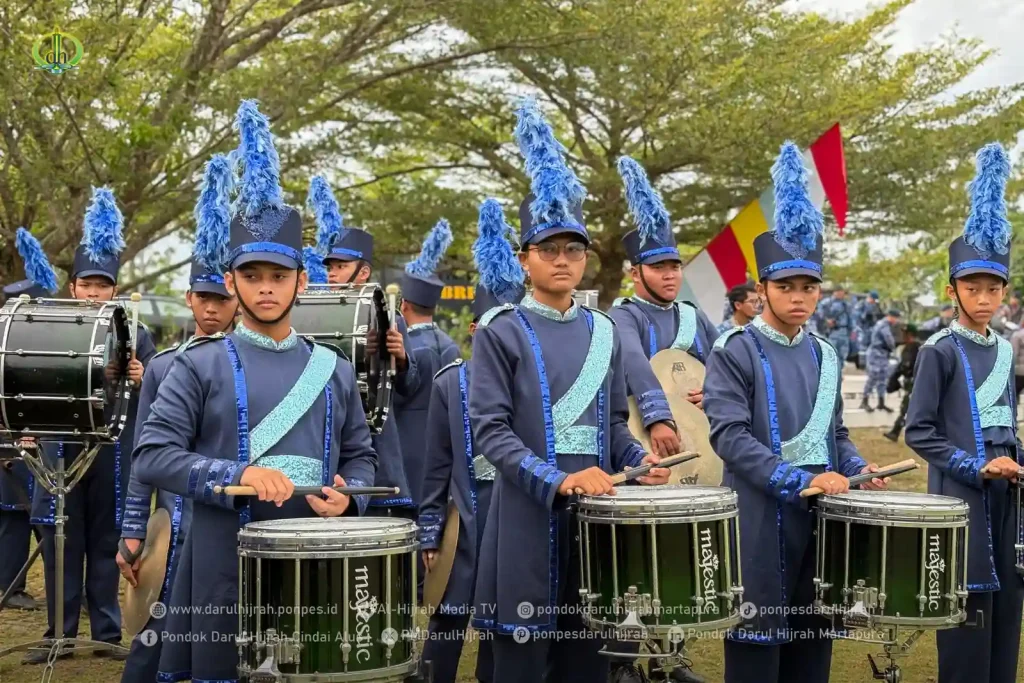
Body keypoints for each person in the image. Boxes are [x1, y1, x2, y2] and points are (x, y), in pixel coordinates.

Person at [133, 100, 378, 681]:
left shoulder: (335, 368)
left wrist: (353, 496)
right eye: (252, 276)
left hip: (315, 560)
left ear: (302, 279)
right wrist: (235, 474)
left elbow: (362, 457)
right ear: (230, 281)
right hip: (221, 561)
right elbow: (152, 455)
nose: (266, 290)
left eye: (278, 276)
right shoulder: (198, 365)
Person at [469, 99, 670, 683]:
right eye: (549, 250)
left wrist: (637, 458)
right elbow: (491, 431)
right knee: (521, 665)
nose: (562, 260)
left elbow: (608, 423)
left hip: (597, 523)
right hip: (525, 522)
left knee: (588, 662)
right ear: (525, 258)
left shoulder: (605, 329)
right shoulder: (502, 330)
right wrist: (558, 479)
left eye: (573, 250)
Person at [703, 141, 887, 683]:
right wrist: (795, 480)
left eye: (809, 287)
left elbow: (836, 434)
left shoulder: (826, 352)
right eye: (786, 286)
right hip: (760, 517)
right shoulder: (733, 350)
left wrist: (855, 467)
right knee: (758, 650)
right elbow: (730, 437)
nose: (799, 296)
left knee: (813, 651)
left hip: (822, 517)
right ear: (761, 290)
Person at [905, 142, 1024, 683]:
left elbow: (1007, 420)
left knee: (1008, 609)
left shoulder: (1005, 348)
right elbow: (919, 431)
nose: (983, 297)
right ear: (952, 290)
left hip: (1009, 491)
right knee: (968, 606)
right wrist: (976, 467)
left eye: (993, 288)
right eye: (972, 287)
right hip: (962, 491)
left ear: (1004, 291)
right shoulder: (938, 350)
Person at [117, 154, 238, 683]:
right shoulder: (166, 367)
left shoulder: (255, 367)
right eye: (203, 298)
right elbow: (145, 457)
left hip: (231, 525)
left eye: (221, 298)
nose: (212, 308)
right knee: (153, 646)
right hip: (175, 526)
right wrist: (132, 530)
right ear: (189, 299)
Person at [25, 188, 157, 664]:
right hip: (61, 446)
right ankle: (56, 633)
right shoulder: (52, 324)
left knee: (106, 540)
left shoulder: (136, 332)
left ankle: (105, 632)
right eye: (87, 285)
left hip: (111, 448)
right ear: (73, 287)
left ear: (114, 290)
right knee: (60, 537)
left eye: (103, 285)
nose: (95, 293)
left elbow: (160, 395)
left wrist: (144, 380)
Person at [418, 199, 521, 683]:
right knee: (450, 613)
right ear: (476, 329)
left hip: (517, 509)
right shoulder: (448, 383)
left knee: (506, 620)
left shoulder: (534, 384)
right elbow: (437, 466)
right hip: (465, 519)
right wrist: (431, 530)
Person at [307, 175, 420, 517]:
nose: (332, 273)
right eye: (330, 266)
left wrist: (398, 358)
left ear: (363, 271)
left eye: (340, 266)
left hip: (374, 436)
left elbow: (410, 389)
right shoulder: (312, 310)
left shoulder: (387, 315)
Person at [0, 227, 60, 612]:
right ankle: (11, 586)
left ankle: (61, 589)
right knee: (13, 517)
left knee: (46, 519)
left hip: (45, 445)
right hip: (11, 443)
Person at [395, 218, 459, 506]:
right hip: (444, 448)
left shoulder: (405, 348)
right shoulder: (451, 346)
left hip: (405, 447)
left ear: (404, 306)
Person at [882, 323, 920, 443]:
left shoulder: (915, 348)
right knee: (907, 409)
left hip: (915, 384)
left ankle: (895, 432)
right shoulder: (910, 347)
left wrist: (895, 377)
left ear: (909, 334)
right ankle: (895, 432)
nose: (902, 336)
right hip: (912, 384)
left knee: (906, 409)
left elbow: (906, 366)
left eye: (905, 333)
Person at [861, 309, 902, 413]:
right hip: (876, 353)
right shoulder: (883, 325)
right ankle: (864, 401)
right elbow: (889, 339)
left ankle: (881, 402)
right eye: (896, 318)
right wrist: (894, 348)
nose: (896, 321)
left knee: (882, 378)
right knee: (873, 377)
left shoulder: (884, 324)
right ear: (891, 317)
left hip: (882, 354)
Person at [819, 285, 853, 373]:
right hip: (832, 332)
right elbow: (820, 315)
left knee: (842, 355)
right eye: (840, 292)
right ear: (835, 292)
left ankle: (838, 374)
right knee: (831, 354)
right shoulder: (826, 303)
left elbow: (850, 319)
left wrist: (851, 331)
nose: (842, 295)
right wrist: (827, 321)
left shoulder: (846, 304)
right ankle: (829, 374)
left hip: (844, 332)